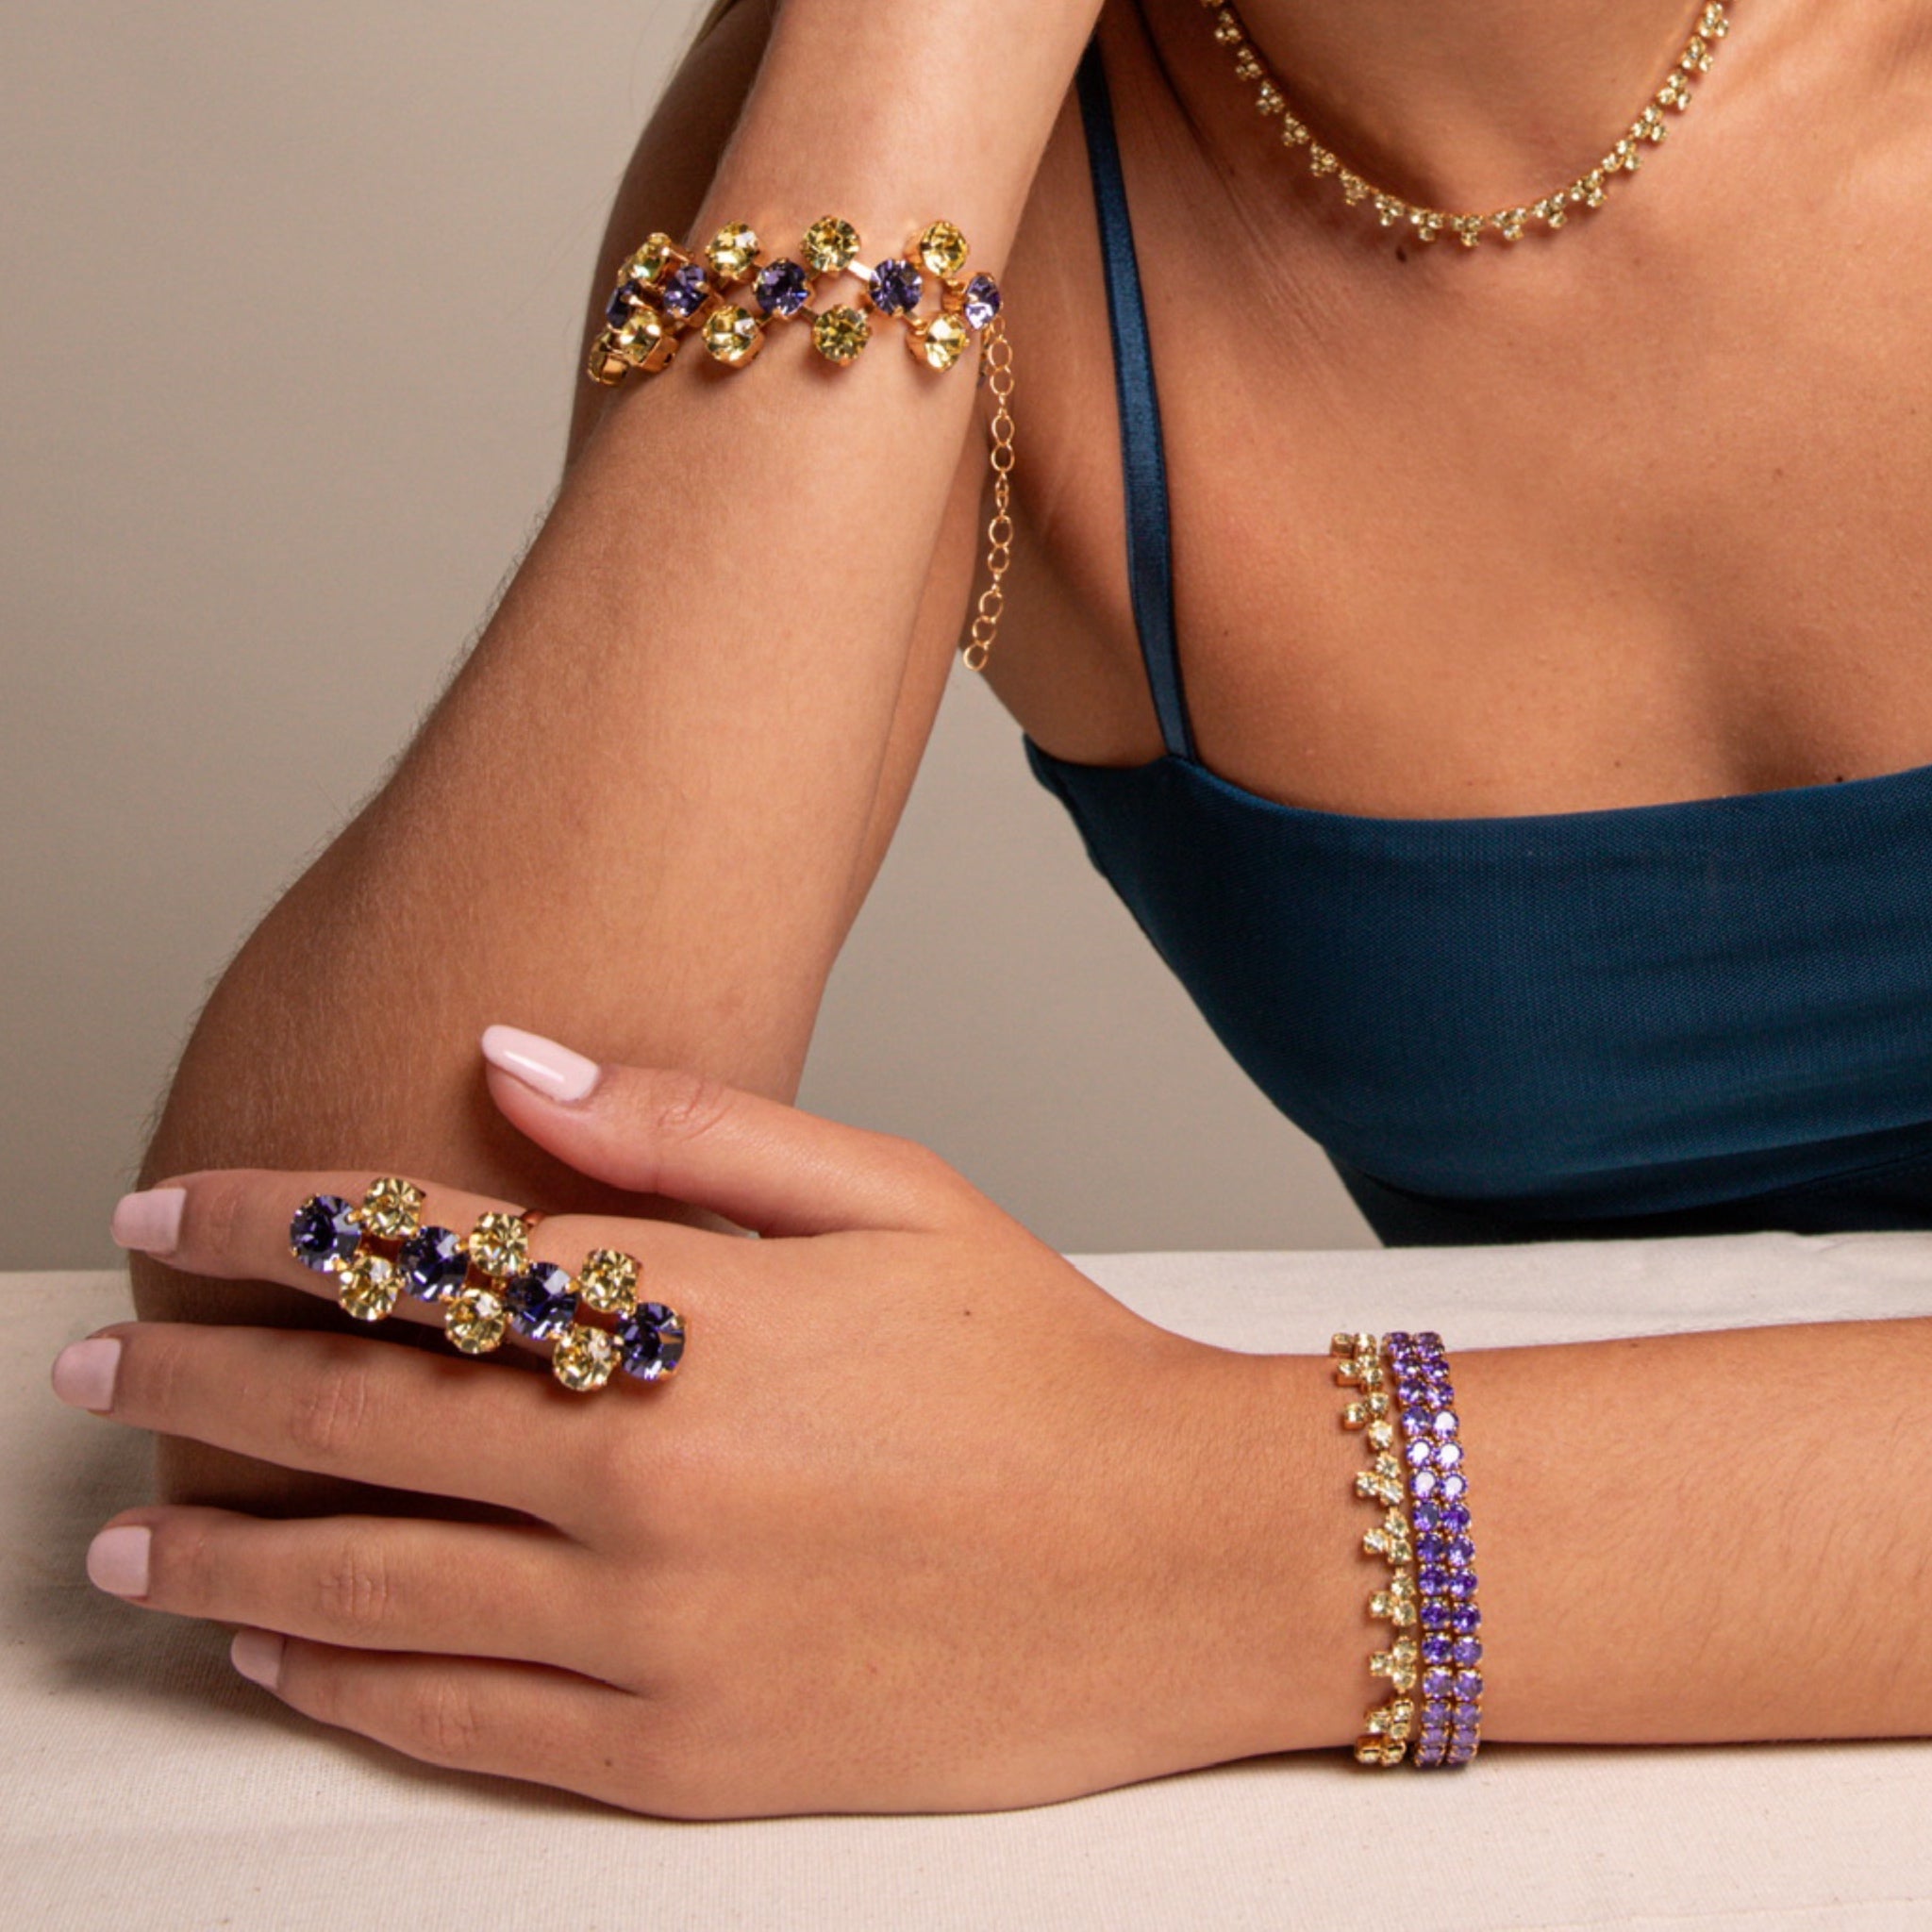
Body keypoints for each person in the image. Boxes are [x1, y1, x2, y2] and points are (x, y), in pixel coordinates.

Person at [54, 0, 1932, 1813]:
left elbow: (1180, 1542)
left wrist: (1205, 1535)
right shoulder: (933, 166)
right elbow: (360, 1454)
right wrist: (902, 56)